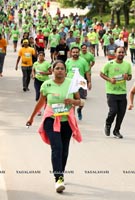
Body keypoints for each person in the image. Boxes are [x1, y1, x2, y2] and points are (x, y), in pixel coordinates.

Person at [26, 60, 82, 193]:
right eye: (57, 68)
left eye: (62, 68)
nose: (60, 70)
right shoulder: (46, 85)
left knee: (64, 150)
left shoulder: (71, 84)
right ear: (52, 70)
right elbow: (41, 103)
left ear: (65, 71)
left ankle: (60, 173)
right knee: (57, 148)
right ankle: (58, 179)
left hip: (67, 121)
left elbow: (81, 102)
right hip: (51, 120)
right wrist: (32, 117)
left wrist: (73, 101)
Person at [100, 46, 132, 139]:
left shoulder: (127, 65)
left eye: (122, 52)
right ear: (115, 53)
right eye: (119, 52)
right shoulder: (109, 64)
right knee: (113, 110)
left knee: (121, 113)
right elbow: (101, 74)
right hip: (111, 92)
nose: (121, 54)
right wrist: (110, 79)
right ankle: (108, 124)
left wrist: (127, 77)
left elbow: (129, 77)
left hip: (122, 92)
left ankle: (116, 130)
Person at [65, 46, 91, 120]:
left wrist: (89, 82)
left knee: (82, 101)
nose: (75, 53)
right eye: (73, 52)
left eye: (77, 52)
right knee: (71, 100)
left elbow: (87, 72)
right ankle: (72, 116)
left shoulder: (83, 61)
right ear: (71, 53)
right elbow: (65, 73)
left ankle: (79, 109)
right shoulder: (68, 61)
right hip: (70, 83)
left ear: (79, 53)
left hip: (81, 83)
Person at [31, 51, 52, 115]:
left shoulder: (47, 63)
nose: (40, 57)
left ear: (44, 56)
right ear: (38, 56)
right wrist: (33, 75)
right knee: (38, 94)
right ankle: (38, 110)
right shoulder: (35, 63)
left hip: (45, 81)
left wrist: (44, 73)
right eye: (39, 55)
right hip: (37, 80)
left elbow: (50, 72)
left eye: (42, 55)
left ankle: (46, 108)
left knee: (45, 95)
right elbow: (33, 70)